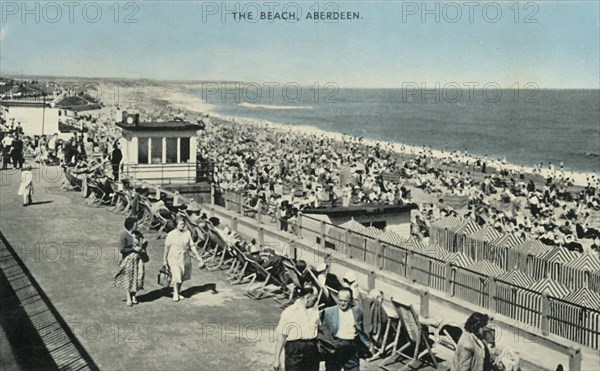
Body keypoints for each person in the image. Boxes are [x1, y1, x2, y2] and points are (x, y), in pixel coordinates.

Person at [321, 287, 370, 371]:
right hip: (335, 345)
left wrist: (367, 345)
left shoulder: (357, 311)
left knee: (354, 369)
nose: (342, 303)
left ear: (351, 300)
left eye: (345, 301)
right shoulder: (328, 311)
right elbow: (323, 330)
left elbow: (362, 329)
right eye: (340, 300)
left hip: (351, 346)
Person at [273, 284, 320, 371]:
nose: (316, 302)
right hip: (294, 349)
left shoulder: (315, 309)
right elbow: (281, 337)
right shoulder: (289, 312)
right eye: (315, 299)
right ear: (307, 297)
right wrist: (276, 359)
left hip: (311, 348)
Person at [163, 217, 203, 302]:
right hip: (173, 256)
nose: (183, 225)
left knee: (182, 275)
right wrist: (164, 260)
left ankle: (178, 291)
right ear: (176, 225)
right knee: (176, 274)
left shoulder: (187, 233)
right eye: (181, 224)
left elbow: (191, 245)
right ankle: (175, 293)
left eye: (183, 224)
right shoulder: (171, 234)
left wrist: (198, 256)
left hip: (185, 257)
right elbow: (166, 248)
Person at [114, 229, 147, 306]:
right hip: (129, 260)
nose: (138, 225)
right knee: (129, 278)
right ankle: (129, 297)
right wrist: (133, 249)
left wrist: (142, 248)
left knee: (138, 277)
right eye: (136, 223)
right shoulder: (124, 235)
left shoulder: (140, 234)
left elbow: (143, 246)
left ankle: (134, 296)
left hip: (139, 259)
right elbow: (122, 250)